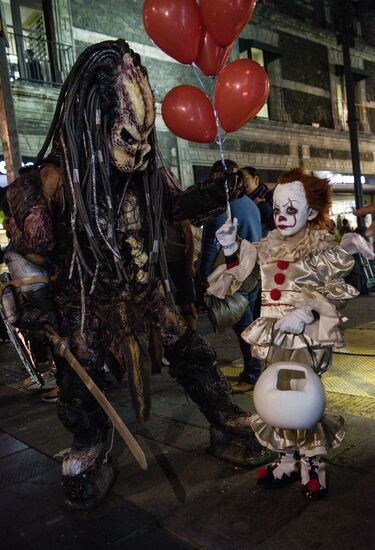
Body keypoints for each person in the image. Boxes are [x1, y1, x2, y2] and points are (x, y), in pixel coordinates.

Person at [3, 40, 269, 511]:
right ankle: (89, 445)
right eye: (127, 138)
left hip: (146, 293)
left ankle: (225, 420)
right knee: (79, 379)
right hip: (86, 302)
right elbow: (27, 254)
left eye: (145, 138)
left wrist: (212, 192)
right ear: (95, 122)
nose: (140, 150)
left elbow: (175, 206)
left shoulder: (145, 171)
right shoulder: (50, 181)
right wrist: (37, 306)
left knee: (191, 353)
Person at [209, 167, 359, 499]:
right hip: (274, 336)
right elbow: (240, 281)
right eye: (278, 208)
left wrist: (304, 311)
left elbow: (337, 292)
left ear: (310, 211)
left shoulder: (320, 250)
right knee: (274, 400)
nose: (282, 216)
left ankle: (312, 465)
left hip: (303, 340)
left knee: (299, 401)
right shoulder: (265, 247)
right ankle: (287, 461)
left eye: (291, 209)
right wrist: (231, 247)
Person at [199, 159, 262, 391]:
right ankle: (253, 369)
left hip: (234, 275)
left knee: (244, 327)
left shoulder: (220, 206)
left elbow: (210, 247)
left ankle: (254, 373)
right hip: (253, 271)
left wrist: (204, 276)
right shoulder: (250, 203)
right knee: (249, 324)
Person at [165, 219, 198, 332]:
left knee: (187, 305)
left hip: (179, 265)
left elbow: (189, 240)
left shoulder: (179, 217)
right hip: (164, 266)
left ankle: (192, 335)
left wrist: (189, 265)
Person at [242, 166, 274, 237]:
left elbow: (275, 222)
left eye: (244, 178)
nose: (241, 182)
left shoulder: (270, 196)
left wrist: (262, 204)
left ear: (256, 179)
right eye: (239, 179)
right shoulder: (241, 199)